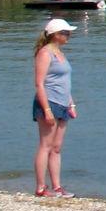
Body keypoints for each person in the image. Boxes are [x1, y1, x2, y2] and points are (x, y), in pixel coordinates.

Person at [32, 17, 80, 198]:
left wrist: (71, 103)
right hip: (49, 102)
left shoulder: (60, 53)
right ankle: (41, 188)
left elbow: (65, 83)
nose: (68, 36)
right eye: (65, 33)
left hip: (62, 104)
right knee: (45, 145)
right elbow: (39, 84)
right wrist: (46, 109)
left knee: (57, 147)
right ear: (54, 35)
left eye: (68, 33)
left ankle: (57, 187)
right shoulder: (45, 53)